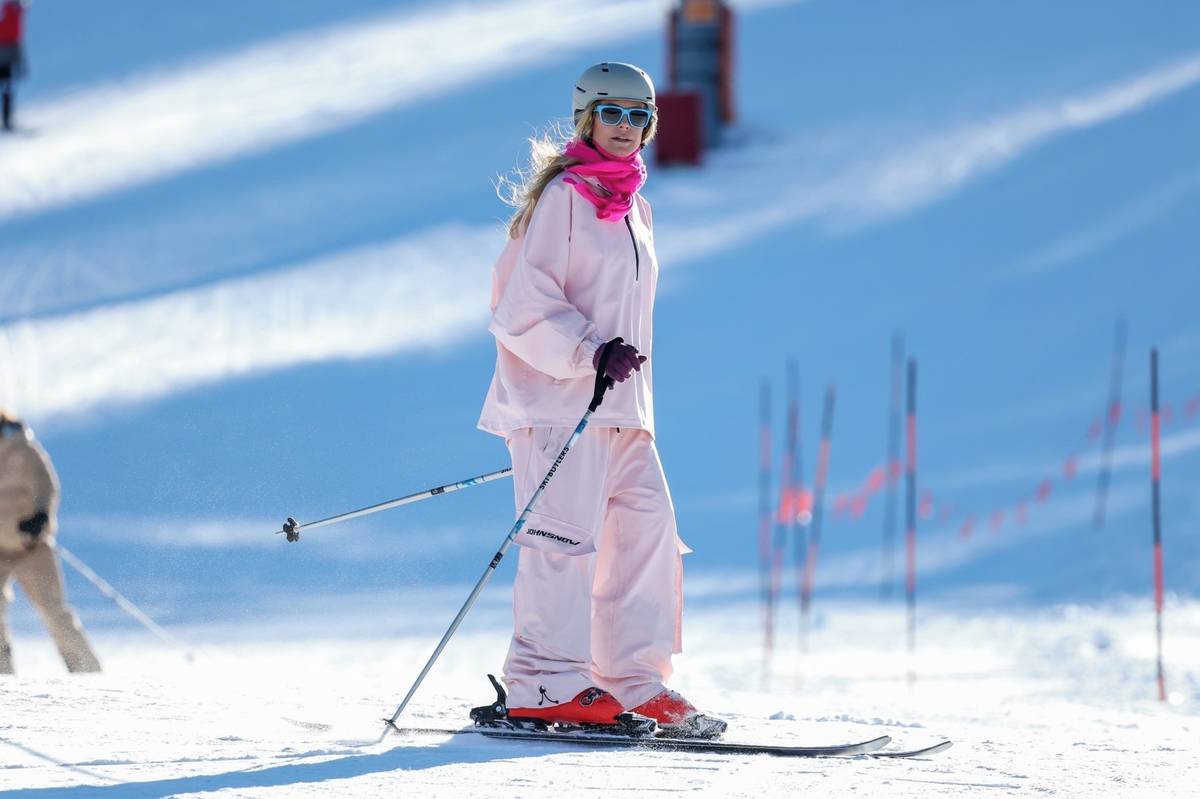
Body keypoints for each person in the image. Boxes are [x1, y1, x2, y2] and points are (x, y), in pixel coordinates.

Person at [477, 62, 724, 737]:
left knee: (647, 533)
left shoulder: (635, 204)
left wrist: (614, 367)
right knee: (562, 540)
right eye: (612, 112)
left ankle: (630, 681)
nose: (625, 126)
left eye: (639, 115)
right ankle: (544, 681)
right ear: (586, 118)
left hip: (623, 409)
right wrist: (591, 350)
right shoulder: (566, 196)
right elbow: (523, 303)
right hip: (562, 403)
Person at [0, 409, 101, 674]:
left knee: (53, 610)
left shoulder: (22, 449)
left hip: (31, 546)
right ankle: (3, 679)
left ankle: (87, 673)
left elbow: (46, 485)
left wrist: (40, 516)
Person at [0, 0, 27, 132]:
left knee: (7, 89)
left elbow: (17, 42)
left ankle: (7, 120)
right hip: (8, 59)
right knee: (7, 89)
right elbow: (17, 42)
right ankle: (7, 121)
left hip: (9, 58)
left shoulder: (13, 15)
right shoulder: (15, 15)